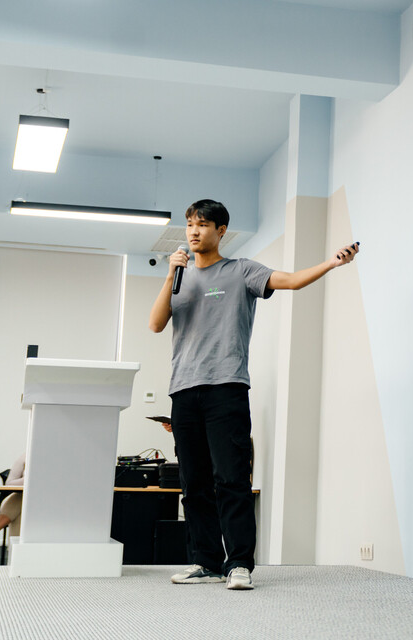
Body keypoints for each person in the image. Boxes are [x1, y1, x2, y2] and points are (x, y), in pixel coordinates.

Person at [148, 199, 358, 591]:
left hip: (226, 387)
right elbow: (156, 324)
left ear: (221, 231)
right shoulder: (180, 276)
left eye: (202, 224)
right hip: (183, 391)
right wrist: (171, 274)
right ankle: (206, 561)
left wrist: (331, 263)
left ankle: (239, 563)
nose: (194, 232)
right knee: (193, 484)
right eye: (190, 224)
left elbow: (291, 281)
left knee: (231, 479)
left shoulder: (241, 271)